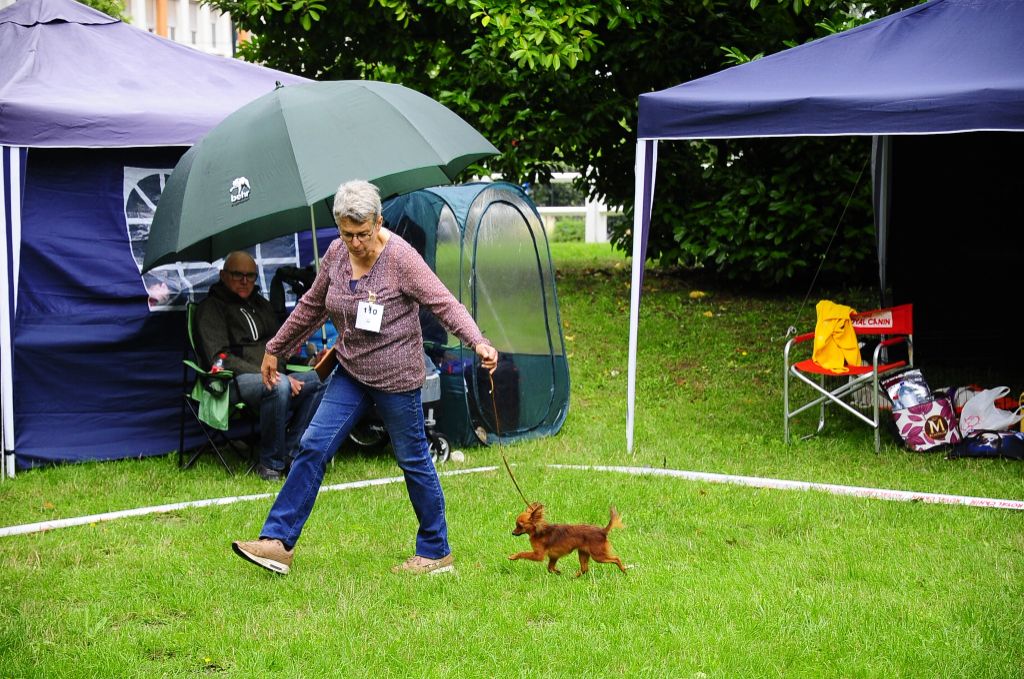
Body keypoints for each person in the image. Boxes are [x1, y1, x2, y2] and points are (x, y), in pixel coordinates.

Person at [231, 179, 498, 576]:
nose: (354, 243)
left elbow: (445, 304)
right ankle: (278, 543)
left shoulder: (401, 259)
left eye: (362, 233)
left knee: (413, 460)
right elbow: (312, 306)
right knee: (312, 446)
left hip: (397, 377)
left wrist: (478, 341)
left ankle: (435, 552)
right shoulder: (336, 254)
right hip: (351, 372)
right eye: (346, 233)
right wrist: (276, 348)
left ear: (378, 222)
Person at [194, 251, 326, 481]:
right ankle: (270, 464)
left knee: (323, 379)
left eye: (251, 276)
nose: (245, 281)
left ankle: (292, 454)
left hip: (276, 377)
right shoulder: (211, 308)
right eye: (238, 275)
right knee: (278, 385)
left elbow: (280, 351)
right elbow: (218, 358)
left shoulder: (263, 306)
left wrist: (310, 362)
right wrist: (271, 375)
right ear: (223, 276)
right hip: (231, 381)